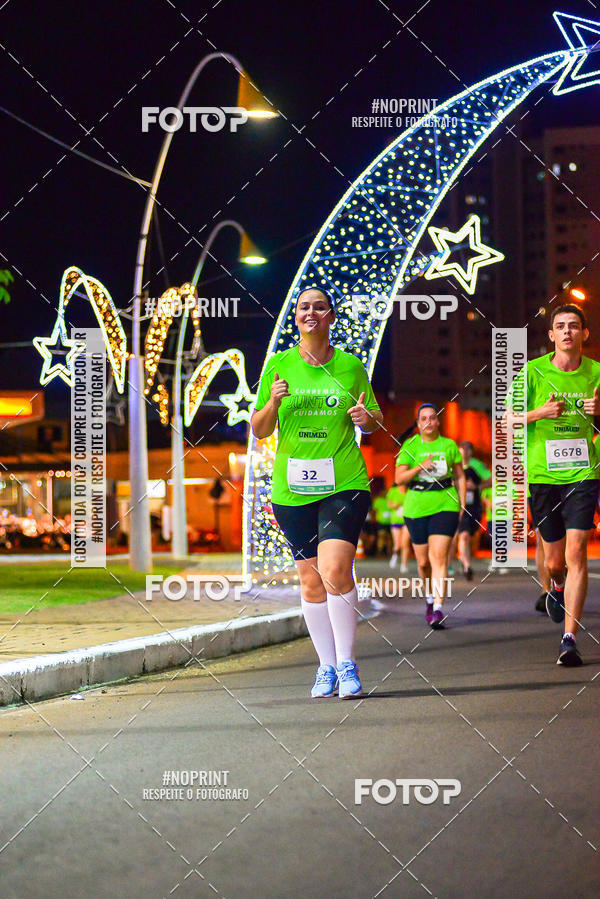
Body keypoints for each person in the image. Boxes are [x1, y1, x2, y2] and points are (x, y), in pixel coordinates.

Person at [251, 285, 383, 698]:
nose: (311, 313)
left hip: (343, 480)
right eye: (304, 307)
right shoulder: (279, 363)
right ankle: (325, 667)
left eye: (319, 307)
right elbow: (259, 429)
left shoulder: (350, 366)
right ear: (296, 317)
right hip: (291, 489)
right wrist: (272, 402)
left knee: (335, 571)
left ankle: (347, 663)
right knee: (310, 582)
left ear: (330, 317)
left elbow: (375, 419)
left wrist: (366, 417)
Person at [519, 304, 600, 666]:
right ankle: (555, 586)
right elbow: (506, 420)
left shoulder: (596, 372)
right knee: (555, 562)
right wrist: (540, 413)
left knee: (577, 551)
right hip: (544, 476)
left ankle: (569, 638)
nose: (567, 331)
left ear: (585, 334)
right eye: (560, 326)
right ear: (551, 335)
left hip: (583, 472)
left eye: (574, 326)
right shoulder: (532, 373)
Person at [395, 404, 466, 627]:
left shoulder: (448, 445)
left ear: (438, 421)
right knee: (424, 562)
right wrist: (420, 467)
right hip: (416, 507)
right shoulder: (410, 445)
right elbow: (399, 479)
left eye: (432, 418)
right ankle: (428, 597)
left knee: (439, 557)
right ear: (418, 424)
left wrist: (461, 502)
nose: (428, 422)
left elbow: (460, 476)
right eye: (424, 419)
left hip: (445, 503)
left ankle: (437, 608)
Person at [449, 441, 491, 580]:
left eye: (467, 449)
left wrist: (476, 486)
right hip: (457, 506)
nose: (465, 452)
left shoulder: (477, 465)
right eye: (462, 449)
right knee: (463, 536)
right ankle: (466, 566)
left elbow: (491, 481)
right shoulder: (452, 464)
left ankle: (462, 559)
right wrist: (457, 485)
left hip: (474, 506)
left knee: (470, 536)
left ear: (471, 452)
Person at [386, 482, 410, 571]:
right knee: (398, 544)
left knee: (405, 543)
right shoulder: (393, 491)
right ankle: (395, 555)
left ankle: (404, 565)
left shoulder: (410, 491)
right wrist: (394, 506)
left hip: (407, 520)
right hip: (395, 520)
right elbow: (389, 504)